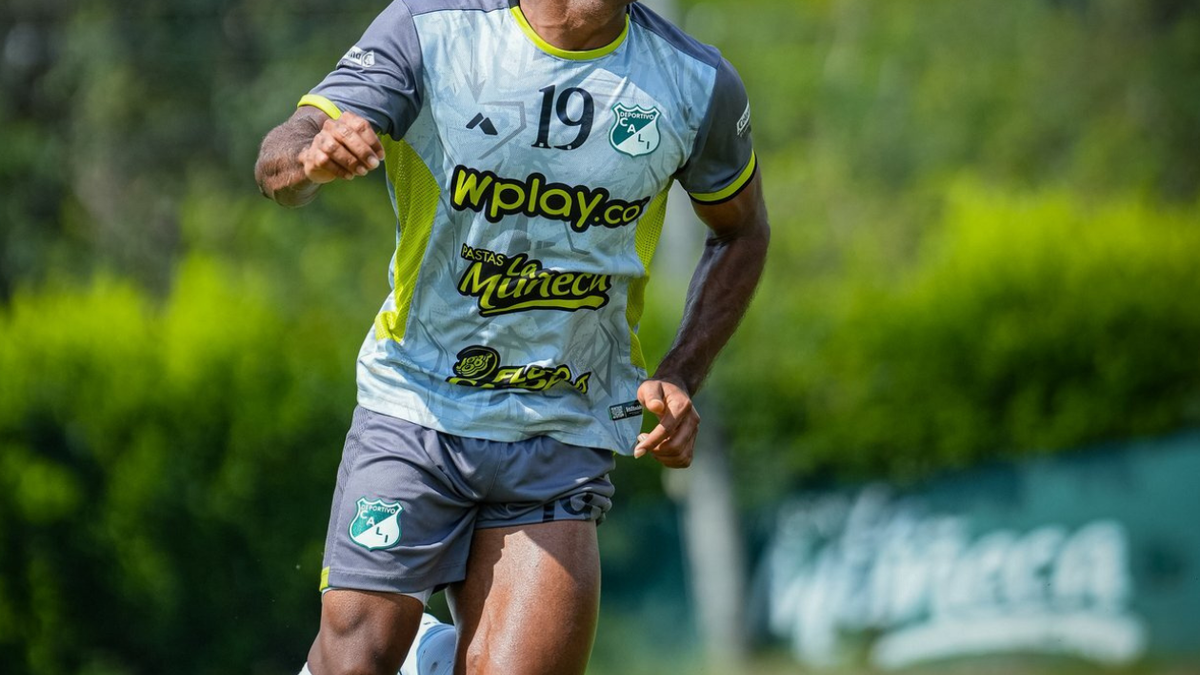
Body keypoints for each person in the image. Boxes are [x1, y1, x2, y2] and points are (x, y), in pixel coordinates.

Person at [254, 0, 769, 672]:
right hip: (416, 405)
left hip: (563, 423)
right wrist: (311, 157)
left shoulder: (695, 82)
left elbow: (742, 230)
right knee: (356, 660)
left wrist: (680, 371)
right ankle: (428, 658)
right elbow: (278, 160)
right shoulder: (430, 30)